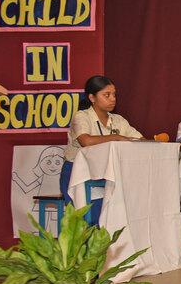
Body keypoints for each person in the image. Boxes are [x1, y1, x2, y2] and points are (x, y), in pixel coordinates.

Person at [59, 75, 144, 203]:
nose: (113, 99)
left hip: (107, 173)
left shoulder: (118, 120)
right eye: (107, 95)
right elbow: (86, 141)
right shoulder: (82, 116)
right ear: (92, 97)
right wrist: (116, 138)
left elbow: (141, 140)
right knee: (88, 219)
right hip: (77, 173)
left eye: (114, 95)